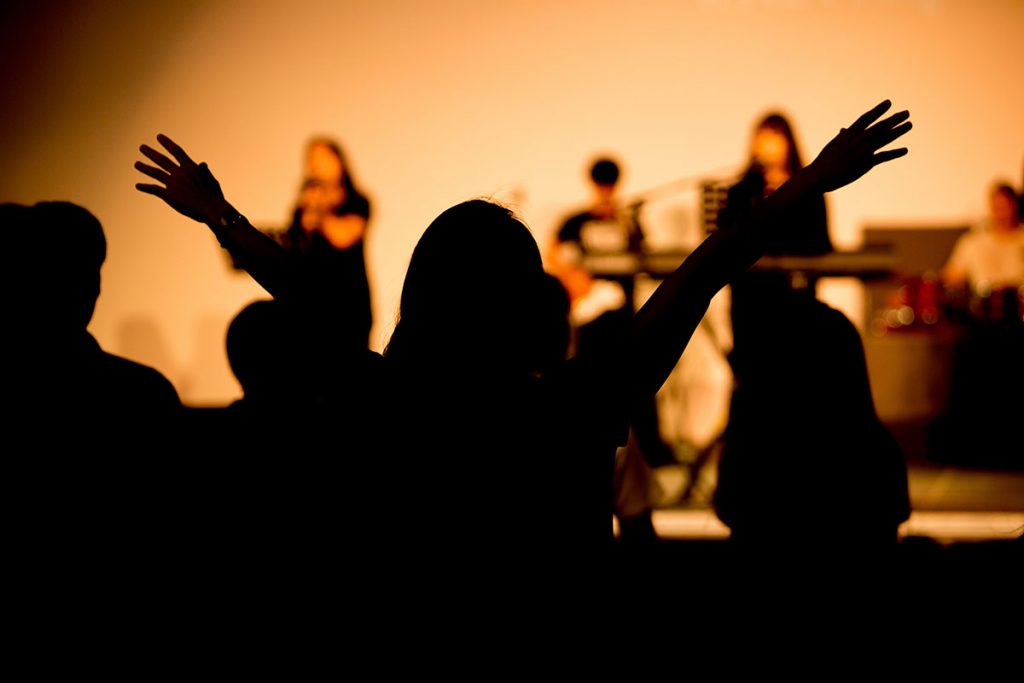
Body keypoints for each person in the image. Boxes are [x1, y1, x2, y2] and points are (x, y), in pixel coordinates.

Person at [135, 100, 912, 550]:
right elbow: (707, 267)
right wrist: (809, 182)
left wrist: (222, 218)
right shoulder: (574, 406)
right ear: (524, 303)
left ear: (420, 294)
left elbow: (309, 303)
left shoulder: (385, 398)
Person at [283, 138, 373, 350]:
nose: (315, 165)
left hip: (349, 304)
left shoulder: (356, 201)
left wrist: (319, 212)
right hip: (311, 304)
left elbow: (343, 237)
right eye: (311, 160)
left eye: (322, 158)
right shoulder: (302, 208)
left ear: (338, 161)